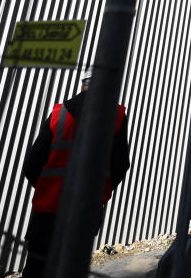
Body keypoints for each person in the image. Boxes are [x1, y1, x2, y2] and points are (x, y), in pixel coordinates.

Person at [20, 68, 130, 278]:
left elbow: (32, 164)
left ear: (82, 85)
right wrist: (100, 192)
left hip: (49, 207)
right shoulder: (115, 117)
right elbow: (120, 164)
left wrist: (47, 188)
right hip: (87, 209)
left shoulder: (59, 114)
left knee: (37, 265)